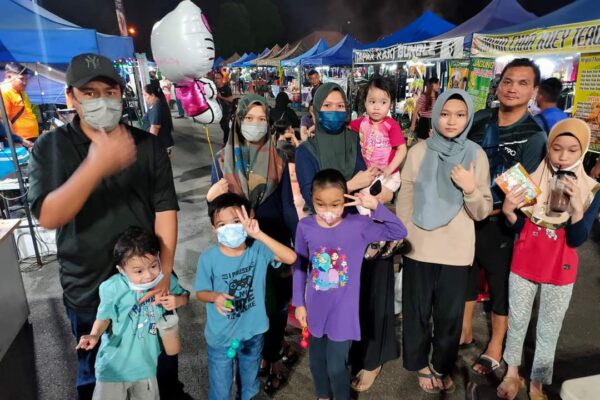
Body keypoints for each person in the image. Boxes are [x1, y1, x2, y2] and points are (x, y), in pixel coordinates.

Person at [27, 53, 186, 400]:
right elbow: (48, 215)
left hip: (146, 282)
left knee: (160, 372)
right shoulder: (51, 146)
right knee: (96, 377)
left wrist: (164, 273)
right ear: (70, 97)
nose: (102, 100)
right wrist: (96, 165)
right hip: (88, 288)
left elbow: (165, 210)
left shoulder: (147, 145)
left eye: (110, 92)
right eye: (90, 92)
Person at [294, 83, 401, 395]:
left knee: (362, 299)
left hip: (358, 231)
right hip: (326, 234)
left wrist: (372, 194)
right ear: (315, 109)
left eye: (340, 106)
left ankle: (361, 359)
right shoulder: (306, 151)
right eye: (327, 105)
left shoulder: (356, 139)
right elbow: (312, 195)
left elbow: (370, 178)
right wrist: (350, 185)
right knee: (331, 296)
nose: (334, 111)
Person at [396, 89, 492, 394]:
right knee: (416, 311)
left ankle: (440, 364)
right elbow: (405, 198)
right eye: (446, 114)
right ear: (435, 114)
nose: (452, 121)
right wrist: (405, 236)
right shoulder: (418, 151)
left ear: (469, 118)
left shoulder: (476, 154)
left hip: (456, 252)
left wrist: (470, 189)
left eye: (460, 115)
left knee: (449, 317)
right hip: (419, 247)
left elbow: (482, 211)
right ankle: (419, 363)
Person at [496, 119, 600, 400]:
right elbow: (519, 227)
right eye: (556, 148)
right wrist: (509, 212)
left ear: (583, 151)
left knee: (549, 328)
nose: (563, 156)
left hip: (560, 265)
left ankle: (538, 380)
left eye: (572, 150)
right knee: (518, 320)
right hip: (525, 257)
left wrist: (577, 210)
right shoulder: (531, 178)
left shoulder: (591, 189)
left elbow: (576, 240)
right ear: (548, 148)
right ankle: (512, 372)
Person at [205, 94, 297, 396]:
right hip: (239, 249)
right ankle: (249, 359)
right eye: (249, 118)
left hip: (273, 240)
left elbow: (287, 206)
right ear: (238, 120)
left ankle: (272, 357)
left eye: (261, 119)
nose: (255, 124)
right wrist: (209, 198)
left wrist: (299, 242)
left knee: (276, 306)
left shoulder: (278, 158)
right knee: (247, 305)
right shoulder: (222, 160)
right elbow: (216, 214)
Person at [463, 58, 547, 376]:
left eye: (523, 83)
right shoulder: (480, 120)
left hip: (501, 224)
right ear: (498, 85)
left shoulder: (534, 136)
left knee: (500, 285)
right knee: (466, 276)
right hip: (465, 216)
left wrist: (488, 210)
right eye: (508, 81)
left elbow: (525, 195)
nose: (512, 88)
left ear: (534, 91)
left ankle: (496, 344)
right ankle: (464, 331)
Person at [293, 169, 407, 400]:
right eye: (320, 204)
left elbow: (399, 231)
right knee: (316, 363)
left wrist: (375, 206)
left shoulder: (359, 225)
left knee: (337, 366)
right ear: (311, 199)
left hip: (344, 313)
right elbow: (299, 266)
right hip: (315, 309)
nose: (328, 211)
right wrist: (299, 303)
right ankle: (323, 396)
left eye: (335, 204)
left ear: (345, 199)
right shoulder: (305, 226)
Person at [195, 193, 296, 400]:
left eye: (236, 221)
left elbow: (291, 257)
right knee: (220, 391)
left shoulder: (258, 249)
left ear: (249, 218)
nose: (230, 228)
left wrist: (259, 235)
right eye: (222, 224)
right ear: (214, 228)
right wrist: (215, 297)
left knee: (249, 387)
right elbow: (200, 293)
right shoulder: (208, 258)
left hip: (253, 332)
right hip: (221, 337)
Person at [76, 227, 189, 400]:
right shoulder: (113, 288)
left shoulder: (166, 281)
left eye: (154, 265)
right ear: (121, 270)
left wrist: (178, 300)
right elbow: (104, 316)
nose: (149, 275)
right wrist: (94, 334)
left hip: (146, 367)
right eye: (138, 271)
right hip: (113, 367)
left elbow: (185, 297)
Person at [349, 75, 407, 216]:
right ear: (365, 102)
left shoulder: (391, 125)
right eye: (372, 101)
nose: (376, 107)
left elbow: (402, 149)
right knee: (364, 201)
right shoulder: (361, 122)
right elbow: (345, 127)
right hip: (370, 174)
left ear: (390, 104)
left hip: (389, 175)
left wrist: (390, 168)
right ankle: (370, 221)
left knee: (371, 200)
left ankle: (375, 221)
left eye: (383, 102)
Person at [1, 63, 39, 141]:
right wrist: (17, 140)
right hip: (19, 141)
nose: (25, 82)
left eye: (27, 79)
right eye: (21, 79)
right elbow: (3, 120)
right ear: (9, 76)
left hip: (30, 137)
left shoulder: (21, 91)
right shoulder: (4, 91)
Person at [141, 84, 175, 155]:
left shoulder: (156, 108)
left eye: (145, 95)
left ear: (152, 95)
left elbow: (154, 129)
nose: (144, 98)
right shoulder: (159, 104)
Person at [214, 71, 234, 144]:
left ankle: (226, 143)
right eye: (215, 78)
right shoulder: (214, 87)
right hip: (219, 110)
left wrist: (220, 97)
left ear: (222, 79)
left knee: (225, 127)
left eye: (218, 78)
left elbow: (231, 99)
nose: (216, 80)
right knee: (223, 126)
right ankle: (228, 141)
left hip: (227, 110)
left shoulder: (226, 88)